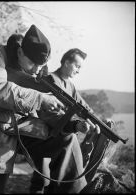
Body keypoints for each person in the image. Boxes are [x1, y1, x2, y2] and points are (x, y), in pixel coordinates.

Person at [0, 24, 99, 194]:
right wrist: (40, 98)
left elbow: (48, 111)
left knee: (66, 140)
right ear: (20, 52)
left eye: (40, 66)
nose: (36, 70)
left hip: (16, 132)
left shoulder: (39, 69)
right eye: (32, 63)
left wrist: (74, 124)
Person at [29, 48, 101, 193]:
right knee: (41, 180)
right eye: (77, 66)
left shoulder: (70, 85)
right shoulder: (49, 80)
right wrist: (75, 125)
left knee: (46, 180)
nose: (78, 71)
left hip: (61, 130)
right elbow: (48, 114)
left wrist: (97, 122)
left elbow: (84, 107)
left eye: (80, 67)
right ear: (67, 62)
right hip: (44, 133)